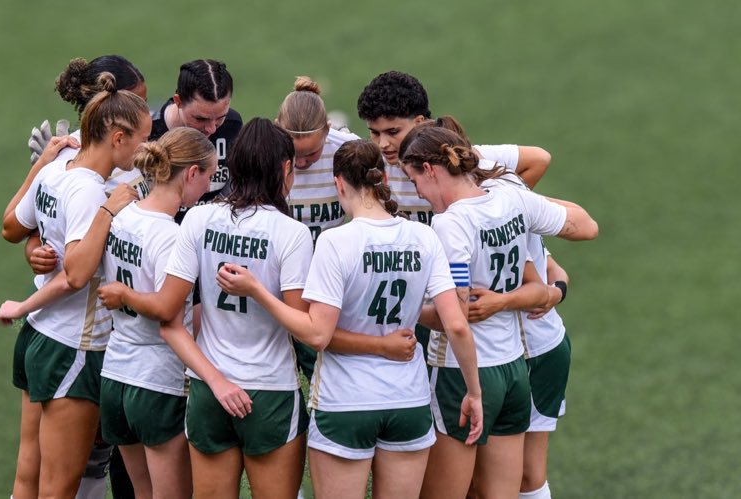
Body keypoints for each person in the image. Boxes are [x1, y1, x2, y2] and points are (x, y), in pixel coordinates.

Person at [215, 140, 485, 499]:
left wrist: (258, 291)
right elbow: (455, 324)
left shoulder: (334, 241)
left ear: (339, 183)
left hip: (345, 403)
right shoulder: (425, 236)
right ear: (385, 177)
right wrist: (474, 392)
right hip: (408, 401)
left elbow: (316, 335)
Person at [95, 119, 312, 499]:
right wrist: (260, 292)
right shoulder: (291, 233)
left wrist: (216, 381)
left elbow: (170, 319)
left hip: (208, 393)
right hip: (270, 393)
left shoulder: (198, 218)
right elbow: (305, 328)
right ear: (284, 169)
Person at [395, 125, 597, 498]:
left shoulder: (450, 224)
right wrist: (549, 291)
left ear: (430, 169)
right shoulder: (512, 202)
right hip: (514, 371)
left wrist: (405, 312)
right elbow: (545, 275)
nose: (418, 194)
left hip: (464, 375)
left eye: (414, 181)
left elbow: (454, 320)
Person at [0, 74, 152, 499]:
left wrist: (37, 167)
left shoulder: (57, 168)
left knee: (28, 476)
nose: (146, 151)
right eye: (142, 140)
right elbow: (78, 274)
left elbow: (13, 224)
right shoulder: (91, 193)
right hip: (74, 348)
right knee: (59, 487)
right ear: (118, 138)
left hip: (40, 338)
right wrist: (108, 210)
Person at [96, 127, 218, 499]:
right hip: (156, 381)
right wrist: (127, 294)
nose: (210, 188)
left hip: (116, 375)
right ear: (192, 174)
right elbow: (166, 309)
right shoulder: (169, 235)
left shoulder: (124, 216)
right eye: (210, 177)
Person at [355, 70, 552, 225]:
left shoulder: (458, 158)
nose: (382, 144)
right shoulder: (374, 167)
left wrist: (502, 212)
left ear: (420, 122)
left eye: (393, 132)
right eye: (374, 133)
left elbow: (538, 160)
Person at [274, 75, 362, 383]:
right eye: (293, 153)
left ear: (328, 131)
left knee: (331, 377)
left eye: (311, 153)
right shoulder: (265, 154)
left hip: (330, 287)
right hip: (278, 285)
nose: (300, 162)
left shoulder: (349, 153)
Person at [148, 59, 243, 220]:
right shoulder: (150, 133)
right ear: (178, 101)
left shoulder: (232, 125)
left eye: (220, 117)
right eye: (200, 119)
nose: (211, 128)